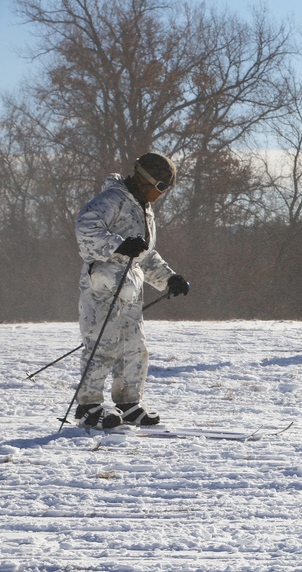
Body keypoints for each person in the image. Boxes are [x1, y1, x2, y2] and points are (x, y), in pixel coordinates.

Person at [73, 151, 189, 429]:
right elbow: (84, 227)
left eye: (167, 188)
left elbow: (144, 255)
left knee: (134, 346)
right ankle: (88, 406)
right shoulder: (112, 200)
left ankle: (128, 403)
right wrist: (118, 245)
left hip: (130, 287)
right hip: (103, 284)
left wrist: (169, 278)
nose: (162, 194)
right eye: (161, 187)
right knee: (102, 344)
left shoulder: (142, 207)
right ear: (144, 181)